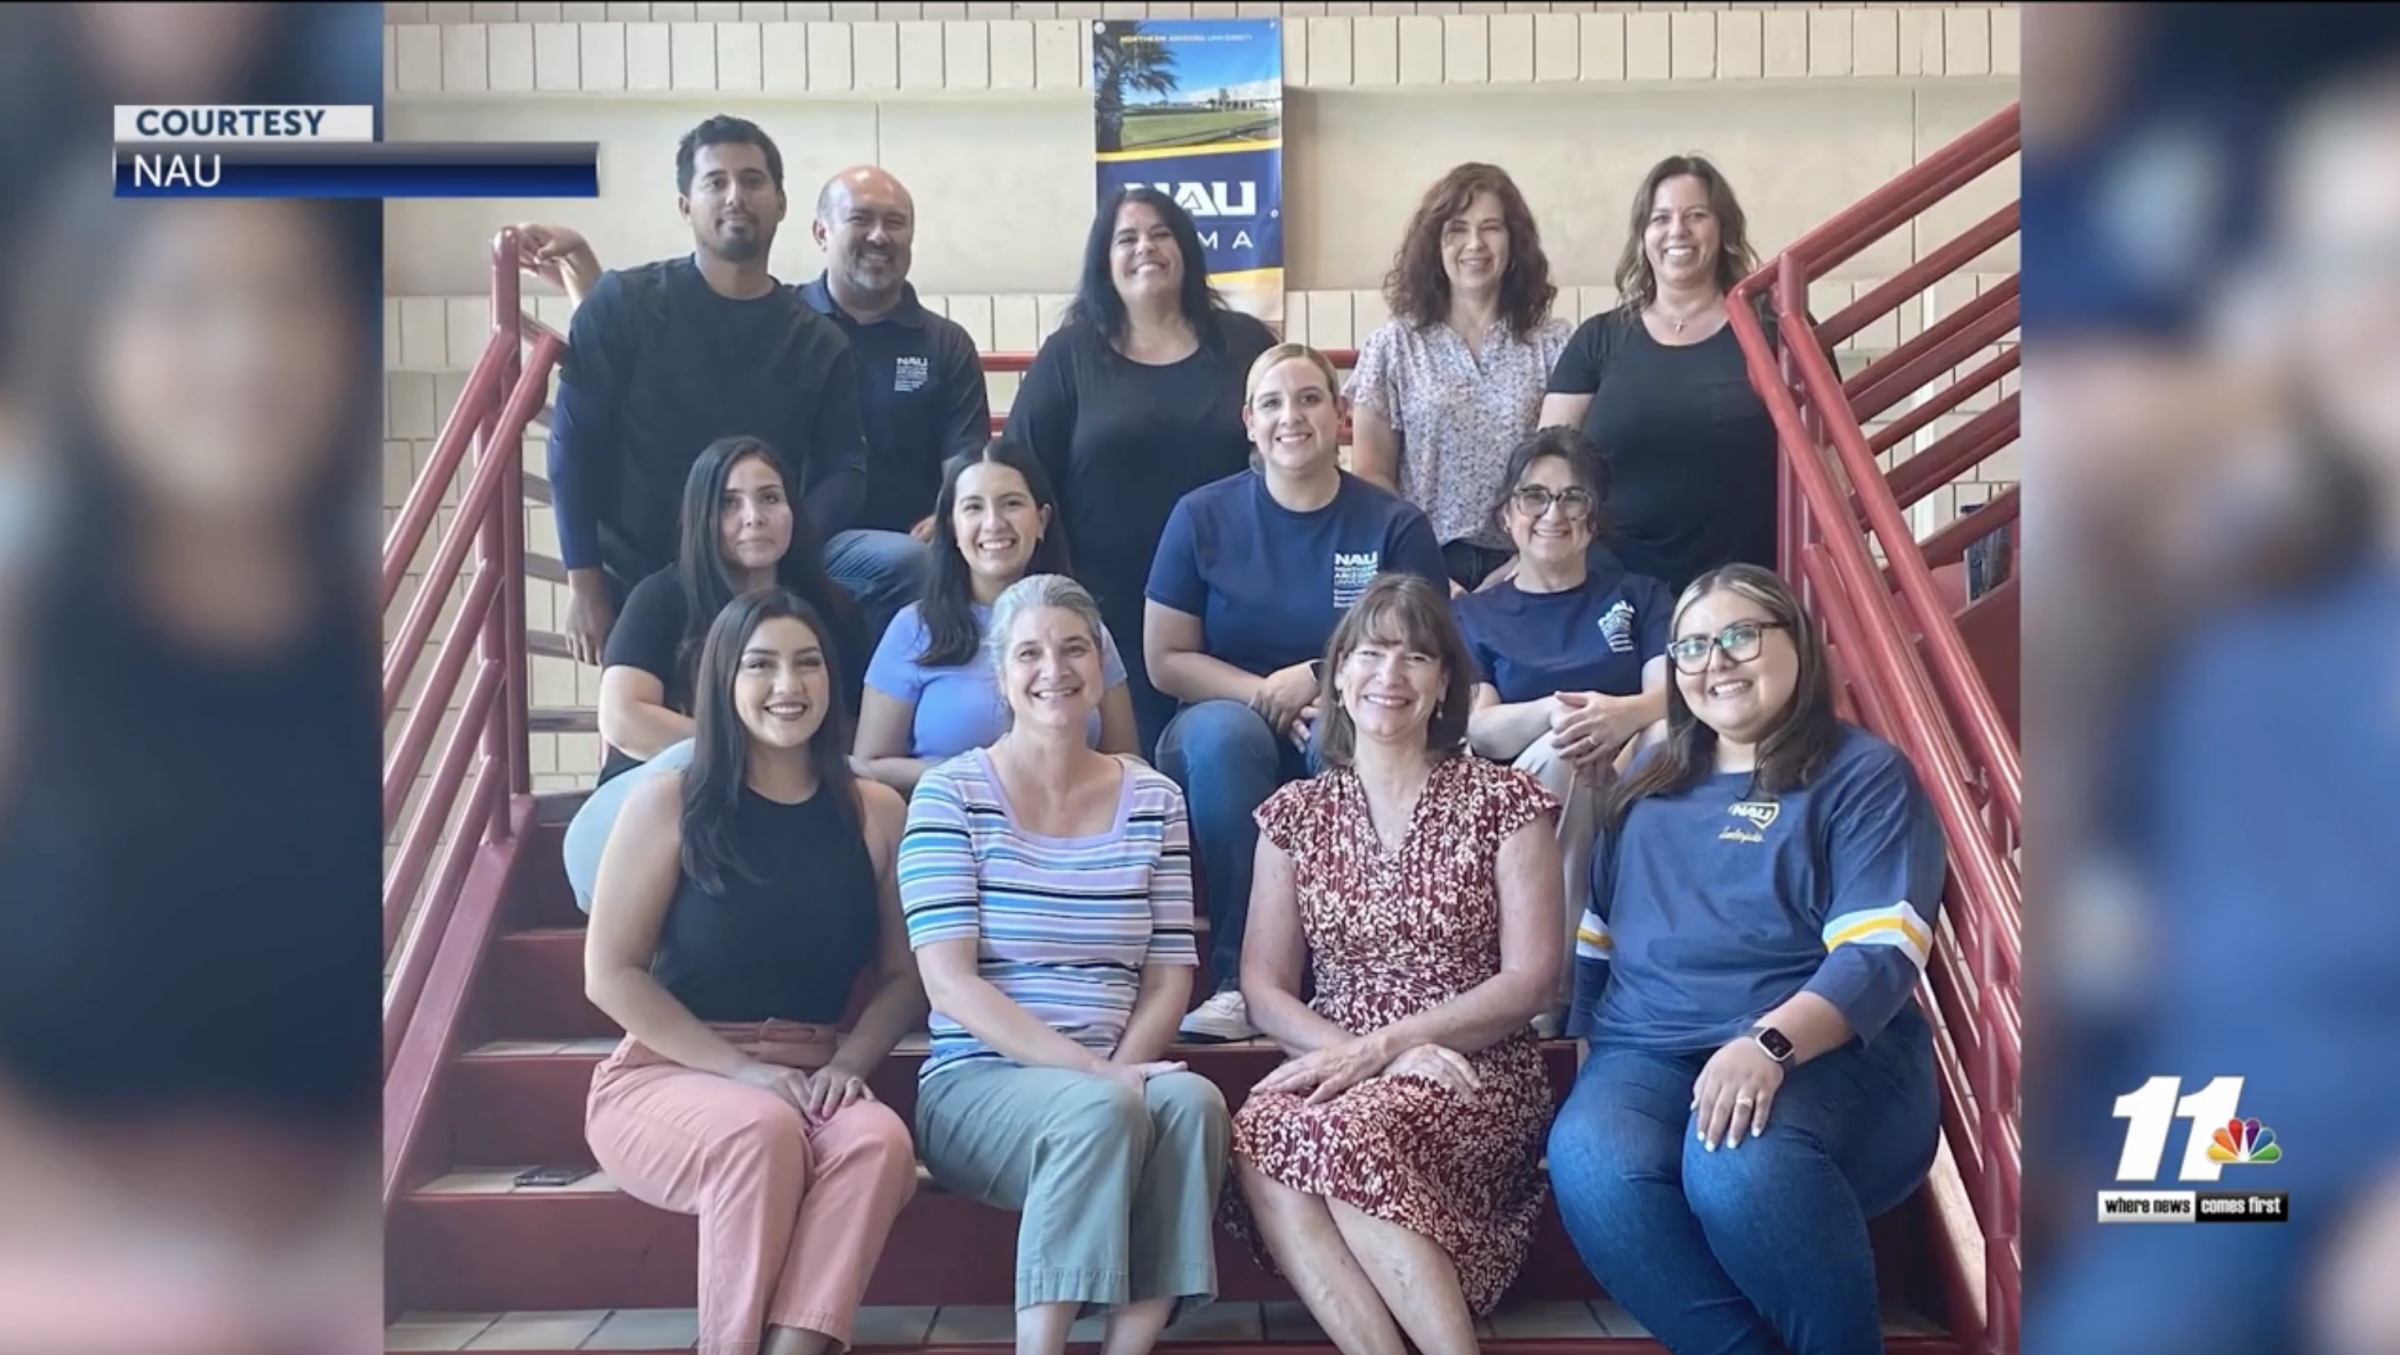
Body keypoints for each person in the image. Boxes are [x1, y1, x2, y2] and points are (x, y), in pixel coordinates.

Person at [1544, 564, 1946, 1355]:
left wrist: (1767, 1043)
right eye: (1691, 646)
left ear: (1795, 641)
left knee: (1735, 1158)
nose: (1714, 662)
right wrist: (1593, 1053)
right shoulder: (1644, 789)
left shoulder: (1863, 775)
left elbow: (1880, 951)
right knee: (1589, 1154)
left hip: (1826, 1052)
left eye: (1738, 636)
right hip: (1649, 1049)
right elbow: (1597, 940)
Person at [1223, 573, 1562, 1355]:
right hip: (1336, 1057)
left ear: (1445, 680)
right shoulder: (1295, 814)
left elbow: (1531, 977)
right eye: (1372, 653)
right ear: (1338, 673)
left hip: (1473, 1070)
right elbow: (1263, 987)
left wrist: (1392, 1048)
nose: (1391, 676)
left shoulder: (1507, 801)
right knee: (1260, 1132)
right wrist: (1370, 1054)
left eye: (1416, 656)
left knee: (1352, 1128)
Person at [584, 587, 922, 1355]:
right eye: (760, 665)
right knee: (761, 1130)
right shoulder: (670, 801)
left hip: (810, 1074)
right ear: (722, 683)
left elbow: (905, 976)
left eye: (808, 664)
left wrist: (848, 1063)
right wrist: (739, 1069)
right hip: (668, 1072)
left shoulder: (875, 811)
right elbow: (609, 973)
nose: (787, 685)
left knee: (878, 1140)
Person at [900, 573, 1230, 1355]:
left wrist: (1117, 1068)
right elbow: (949, 980)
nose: (1055, 668)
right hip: (978, 1084)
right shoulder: (950, 795)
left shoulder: (1154, 798)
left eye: (1074, 646)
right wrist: (1092, 1074)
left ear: (1101, 662)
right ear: (1002, 675)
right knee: (1104, 1109)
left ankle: (1129, 1345)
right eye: (1029, 653)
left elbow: (1169, 974)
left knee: (1194, 1103)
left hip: (1114, 1071)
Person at [517, 163, 990, 648]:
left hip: (870, 547)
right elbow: (658, 359)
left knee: (918, 562)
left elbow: (967, 467)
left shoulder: (943, 344)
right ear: (820, 232)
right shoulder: (782, 322)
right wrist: (585, 276)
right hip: (763, 534)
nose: (878, 236)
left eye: (894, 222)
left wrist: (953, 512)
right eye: (860, 219)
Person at [1144, 343, 1447, 1041]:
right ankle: (1235, 979)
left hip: (1357, 709)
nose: (1292, 415)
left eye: (1310, 398)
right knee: (1228, 738)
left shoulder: (1392, 524)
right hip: (1220, 719)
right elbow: (1166, 659)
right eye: (1273, 402)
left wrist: (1318, 675)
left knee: (1351, 736)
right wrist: (1267, 694)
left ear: (1340, 415)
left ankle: (1354, 978)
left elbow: (1429, 643)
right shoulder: (1200, 515)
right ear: (1249, 421)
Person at [534, 116, 872, 666]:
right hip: (640, 576)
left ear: (782, 202)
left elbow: (845, 468)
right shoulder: (623, 302)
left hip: (762, 580)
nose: (736, 196)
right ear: (685, 205)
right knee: (649, 737)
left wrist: (779, 544)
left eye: (753, 180)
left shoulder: (819, 340)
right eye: (716, 182)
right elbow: (573, 444)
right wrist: (584, 583)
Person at [1005, 186, 1279, 753]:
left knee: (1229, 750)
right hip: (1106, 604)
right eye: (1125, 238)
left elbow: (1286, 452)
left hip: (1233, 599)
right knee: (1136, 761)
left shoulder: (1246, 343)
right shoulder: (1069, 354)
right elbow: (1021, 469)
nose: (1144, 248)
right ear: (1103, 261)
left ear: (1186, 250)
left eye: (1160, 234)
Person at [1452, 427, 1672, 1029]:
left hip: (1634, 770)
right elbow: (1484, 730)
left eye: (1573, 498)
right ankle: (1558, 988)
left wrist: (1619, 718)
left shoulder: (1639, 596)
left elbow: (1673, 695)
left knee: (1666, 737)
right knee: (1563, 750)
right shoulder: (1472, 615)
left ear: (1594, 520)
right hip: (1532, 787)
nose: (1555, 513)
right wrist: (1561, 716)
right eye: (1536, 497)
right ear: (1507, 515)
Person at [1538, 155, 1778, 593]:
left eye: (1696, 216)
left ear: (1723, 229)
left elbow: (1829, 465)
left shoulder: (1774, 330)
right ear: (1643, 236)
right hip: (1611, 593)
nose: (1677, 231)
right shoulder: (1598, 338)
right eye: (1660, 218)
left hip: (1744, 591)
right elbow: (1547, 467)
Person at [856, 439, 1137, 795]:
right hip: (952, 827)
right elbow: (869, 767)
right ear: (952, 528)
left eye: (1012, 504)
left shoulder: (1082, 626)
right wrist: (984, 774)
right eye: (973, 507)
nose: (993, 523)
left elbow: (1128, 762)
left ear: (1042, 519)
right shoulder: (913, 628)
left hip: (1074, 829)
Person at [1345, 163, 1574, 593]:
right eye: (1457, 229)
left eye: (1491, 228)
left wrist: (1521, 567)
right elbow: (1372, 475)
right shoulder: (1393, 346)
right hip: (1419, 561)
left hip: (1530, 560)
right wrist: (1422, 566)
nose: (1475, 244)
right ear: (1434, 243)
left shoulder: (1554, 344)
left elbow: (1565, 469)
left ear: (1515, 242)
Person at [596, 435, 869, 786]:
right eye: (729, 503)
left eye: (770, 498)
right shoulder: (660, 598)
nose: (754, 517)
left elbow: (846, 734)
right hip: (659, 790)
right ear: (702, 515)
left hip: (785, 799)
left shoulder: (832, 610)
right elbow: (623, 718)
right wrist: (760, 757)